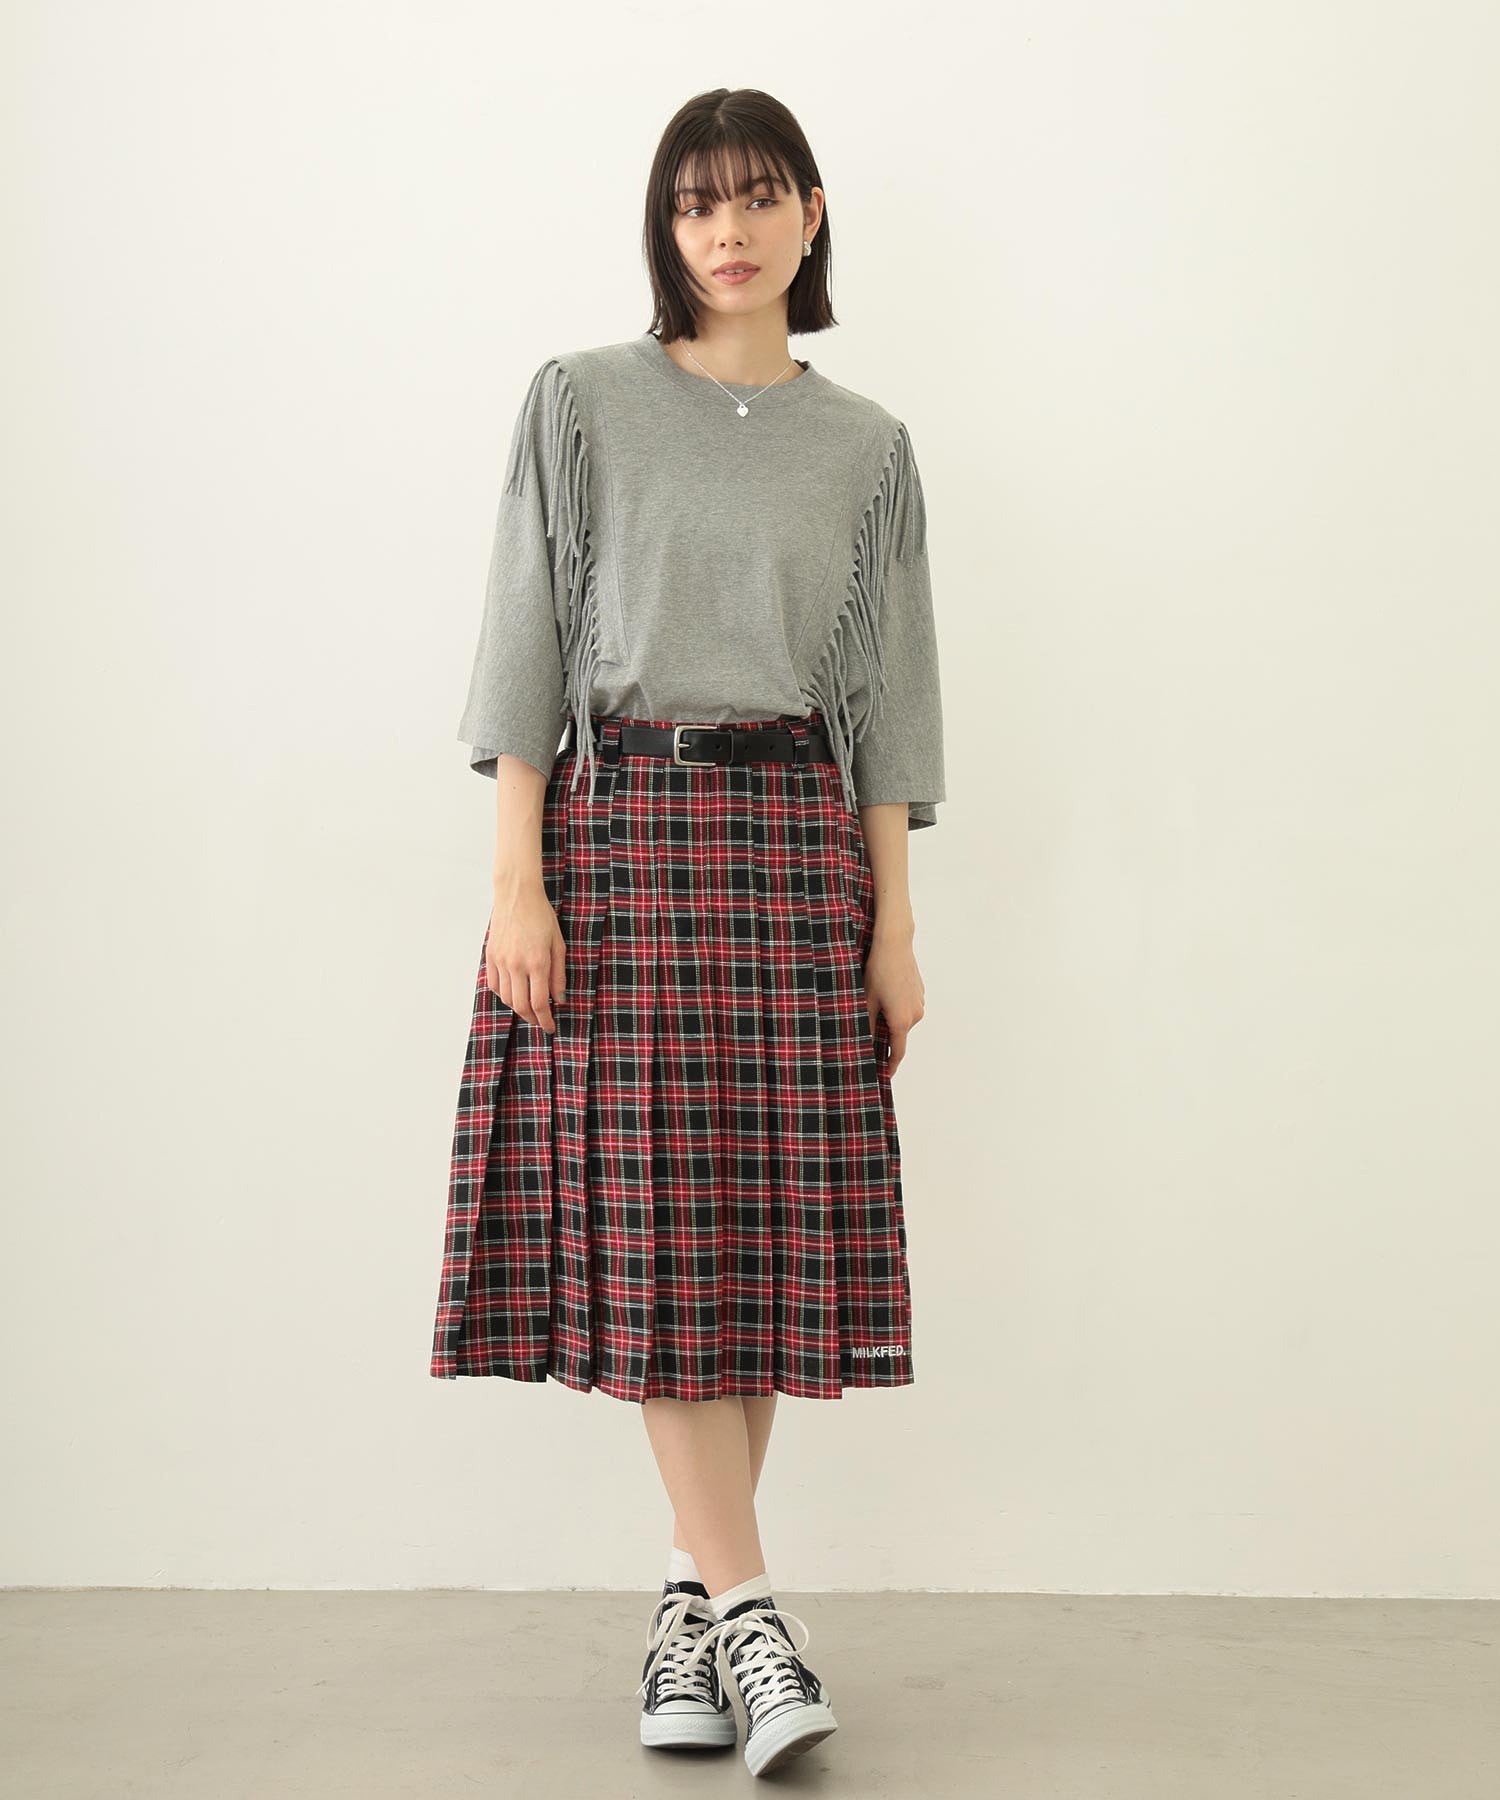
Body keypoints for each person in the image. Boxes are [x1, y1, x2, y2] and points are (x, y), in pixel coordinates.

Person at [429, 86, 947, 1778]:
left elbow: (889, 699)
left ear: (811, 215)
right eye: (694, 202)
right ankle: (753, 1617)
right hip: (623, 839)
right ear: (666, 227)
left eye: (756, 197)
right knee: (662, 1235)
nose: (726, 230)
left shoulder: (867, 445)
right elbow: (523, 641)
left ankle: (688, 1607)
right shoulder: (582, 401)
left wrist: (894, 922)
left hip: (797, 843)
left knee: (756, 1239)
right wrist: (517, 880)